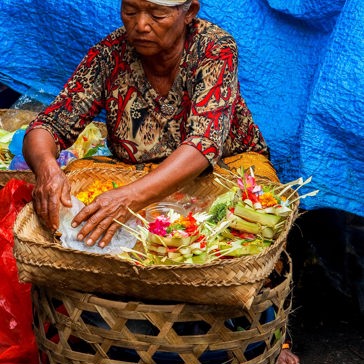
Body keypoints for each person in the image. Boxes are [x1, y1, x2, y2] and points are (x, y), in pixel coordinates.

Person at [23, 1, 299, 362]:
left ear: (190, 12)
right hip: (134, 174)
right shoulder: (110, 54)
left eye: (157, 15)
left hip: (221, 171)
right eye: (130, 11)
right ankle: (111, 329)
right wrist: (47, 169)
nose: (140, 25)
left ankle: (266, 336)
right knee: (76, 204)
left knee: (253, 217)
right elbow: (48, 125)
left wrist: (130, 197)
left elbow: (204, 144)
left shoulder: (214, 48)